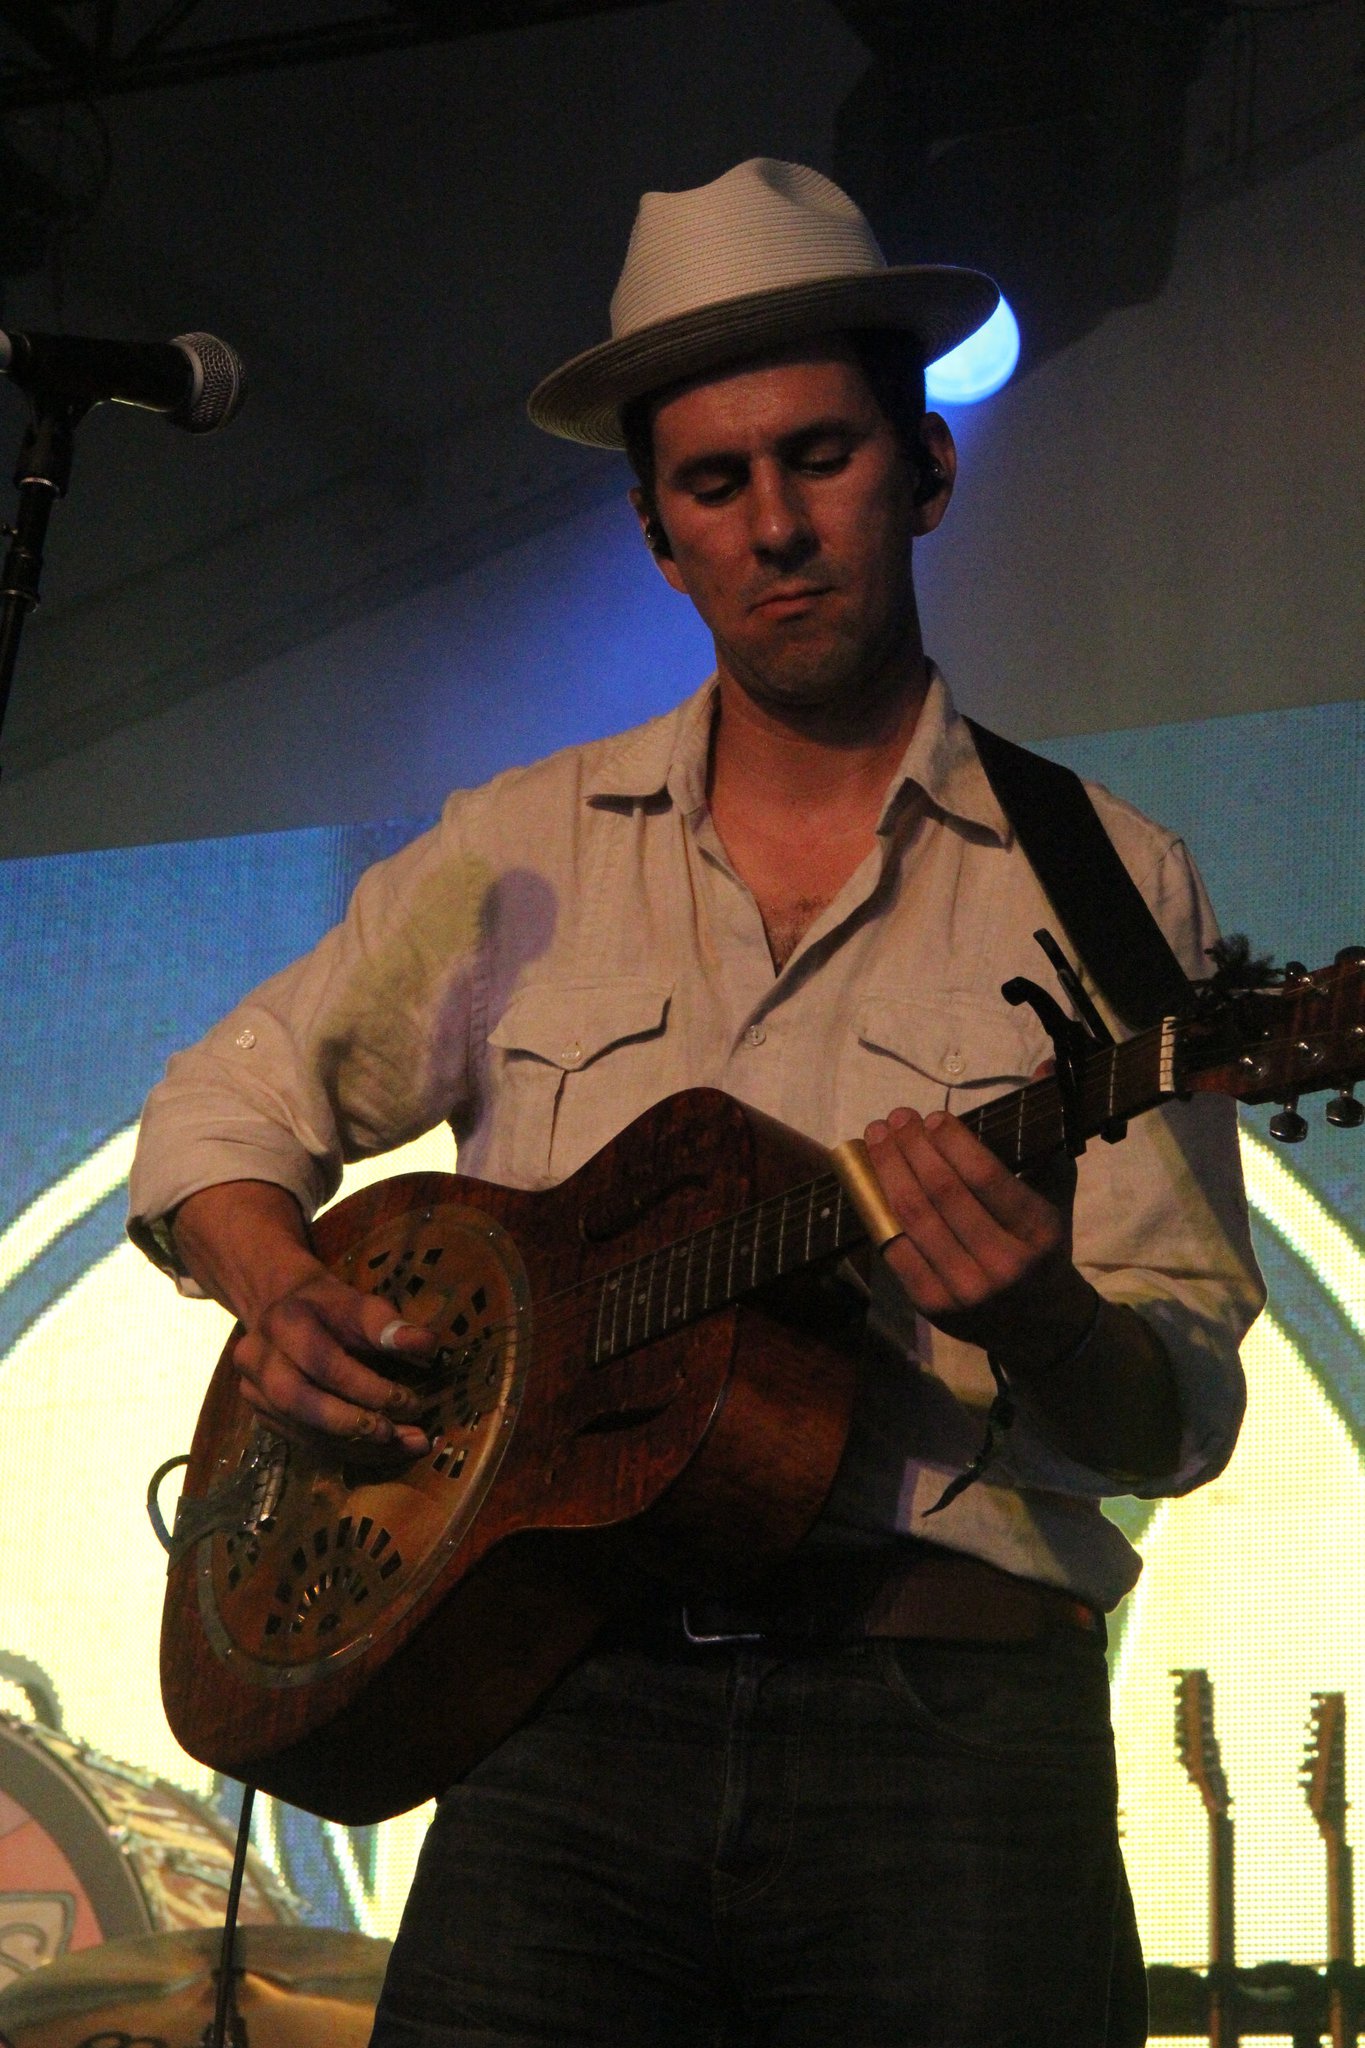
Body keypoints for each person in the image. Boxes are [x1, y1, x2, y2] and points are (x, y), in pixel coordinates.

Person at [129, 159, 1264, 2045]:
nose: (777, 526)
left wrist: (1046, 1321)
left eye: (820, 457)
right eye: (716, 484)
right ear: (658, 535)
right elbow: (212, 1115)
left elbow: (1181, 1411)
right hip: (555, 1720)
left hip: (946, 1736)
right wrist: (278, 1290)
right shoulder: (521, 846)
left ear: (924, 469)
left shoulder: (1104, 877)